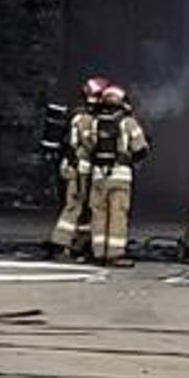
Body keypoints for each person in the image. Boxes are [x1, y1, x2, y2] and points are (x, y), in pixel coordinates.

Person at [73, 82, 148, 266]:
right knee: (117, 215)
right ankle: (114, 254)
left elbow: (88, 146)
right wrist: (131, 159)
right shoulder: (128, 122)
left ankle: (98, 253)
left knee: (98, 214)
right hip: (120, 176)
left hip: (98, 176)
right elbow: (140, 148)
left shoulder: (94, 122)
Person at [46, 76, 109, 260]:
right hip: (80, 169)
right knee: (76, 206)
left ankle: (78, 244)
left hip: (74, 167)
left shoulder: (75, 115)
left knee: (81, 208)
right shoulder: (86, 119)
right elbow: (90, 145)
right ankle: (62, 243)